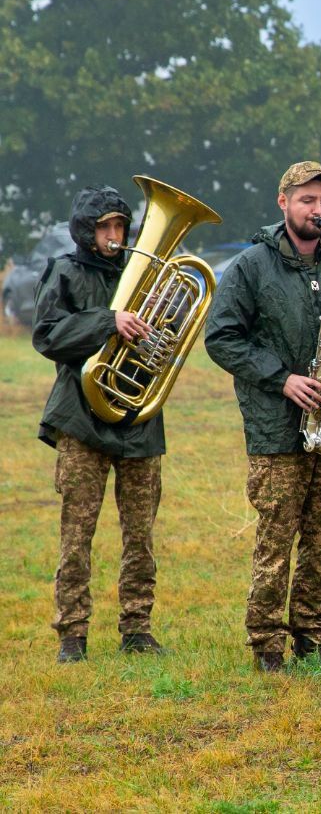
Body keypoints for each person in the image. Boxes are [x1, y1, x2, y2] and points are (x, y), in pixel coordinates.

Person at [204, 161, 321, 672]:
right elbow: (221, 338)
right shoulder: (251, 266)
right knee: (277, 541)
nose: (318, 212)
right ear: (283, 201)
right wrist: (281, 378)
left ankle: (312, 635)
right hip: (276, 425)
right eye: (308, 201)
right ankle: (266, 642)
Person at [32, 186, 169, 663]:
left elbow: (167, 340)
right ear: (86, 231)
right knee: (77, 533)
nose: (114, 236)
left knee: (141, 535)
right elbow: (47, 335)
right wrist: (108, 321)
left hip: (140, 417)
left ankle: (137, 627)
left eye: (120, 226)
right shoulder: (65, 271)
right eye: (104, 227)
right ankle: (72, 633)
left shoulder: (149, 275)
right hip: (80, 419)